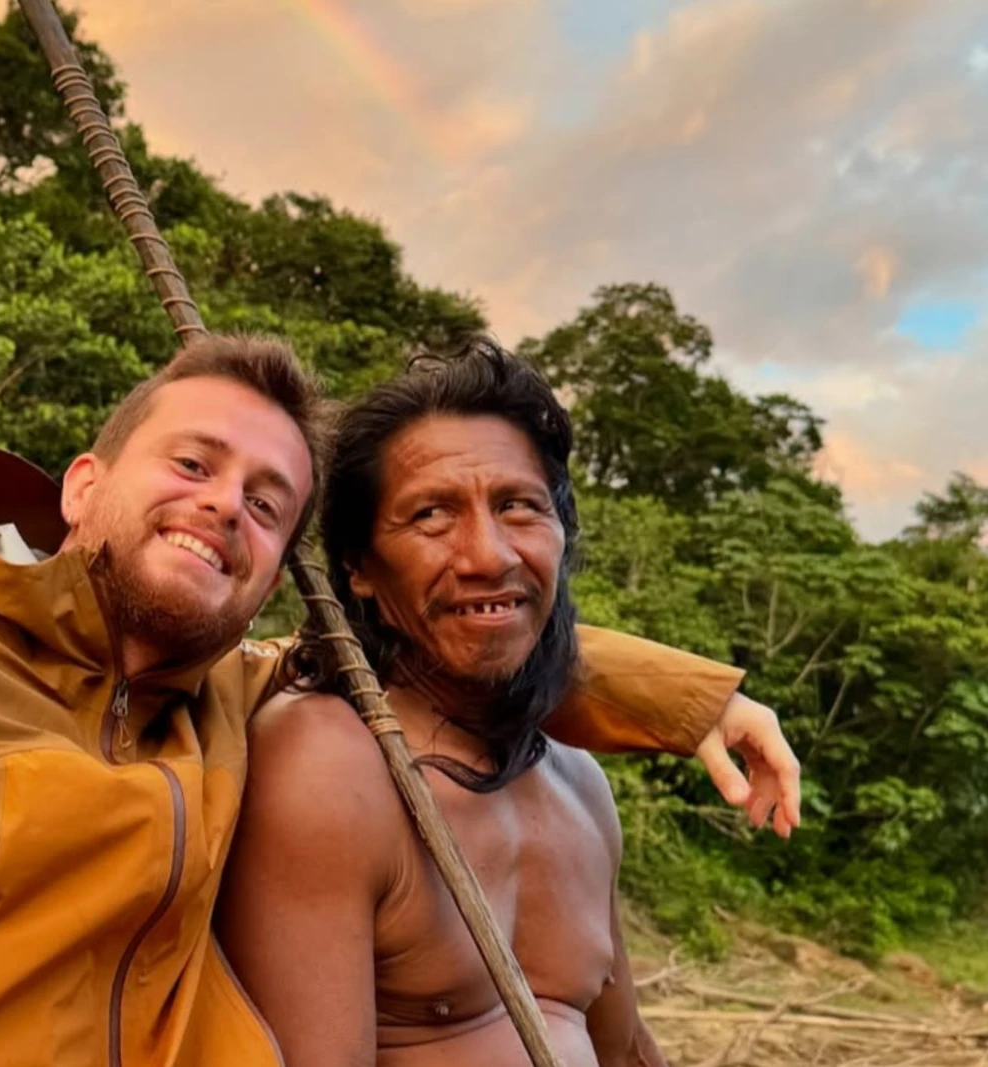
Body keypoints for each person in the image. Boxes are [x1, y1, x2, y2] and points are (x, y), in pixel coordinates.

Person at [0, 334, 797, 1067]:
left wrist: (692, 702)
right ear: (80, 485)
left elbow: (446, 633)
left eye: (265, 501)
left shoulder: (230, 706)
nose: (222, 505)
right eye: (191, 463)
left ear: (285, 565)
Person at [216, 340, 770, 1067]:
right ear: (358, 569)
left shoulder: (579, 782)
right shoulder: (330, 765)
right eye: (431, 516)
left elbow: (624, 1046)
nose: (490, 555)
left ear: (561, 534)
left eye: (518, 506)